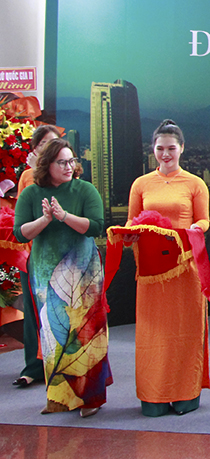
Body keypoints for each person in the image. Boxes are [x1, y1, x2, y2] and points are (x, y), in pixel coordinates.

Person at [13, 138, 109, 417]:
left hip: (83, 271)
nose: (69, 167)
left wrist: (64, 216)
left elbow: (95, 227)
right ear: (47, 165)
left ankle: (89, 398)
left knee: (85, 333)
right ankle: (57, 397)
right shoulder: (31, 194)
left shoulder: (85, 190)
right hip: (44, 270)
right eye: (62, 162)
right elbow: (20, 233)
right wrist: (45, 220)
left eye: (71, 161)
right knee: (52, 333)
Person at [125, 119, 210, 416]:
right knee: (153, 334)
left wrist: (186, 235)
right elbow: (131, 221)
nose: (165, 154)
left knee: (185, 331)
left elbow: (204, 221)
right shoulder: (141, 184)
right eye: (160, 149)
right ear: (153, 150)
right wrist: (129, 234)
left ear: (181, 149)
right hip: (150, 270)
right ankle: (153, 395)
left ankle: (186, 394)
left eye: (171, 148)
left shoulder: (195, 184)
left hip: (185, 267)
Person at [11, 124, 60, 389]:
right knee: (32, 311)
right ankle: (33, 366)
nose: (48, 150)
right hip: (32, 253)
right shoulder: (28, 177)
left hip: (60, 254)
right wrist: (32, 174)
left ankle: (59, 364)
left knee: (58, 311)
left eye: (53, 145)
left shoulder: (67, 175)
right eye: (43, 146)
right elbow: (23, 217)